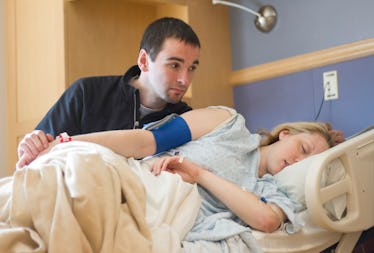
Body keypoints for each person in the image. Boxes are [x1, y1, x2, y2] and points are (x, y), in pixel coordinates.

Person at [16, 106, 340, 235]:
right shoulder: (226, 122)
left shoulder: (267, 191)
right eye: (303, 149)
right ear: (287, 133)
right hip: (134, 176)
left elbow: (267, 220)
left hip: (160, 210)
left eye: (306, 164)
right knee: (43, 191)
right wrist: (64, 141)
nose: (297, 162)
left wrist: (197, 172)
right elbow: (148, 142)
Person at [16, 17, 201, 168]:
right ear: (144, 61)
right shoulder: (86, 94)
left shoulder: (187, 120)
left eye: (192, 67)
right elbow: (36, 159)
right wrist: (32, 144)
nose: (185, 79)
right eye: (174, 65)